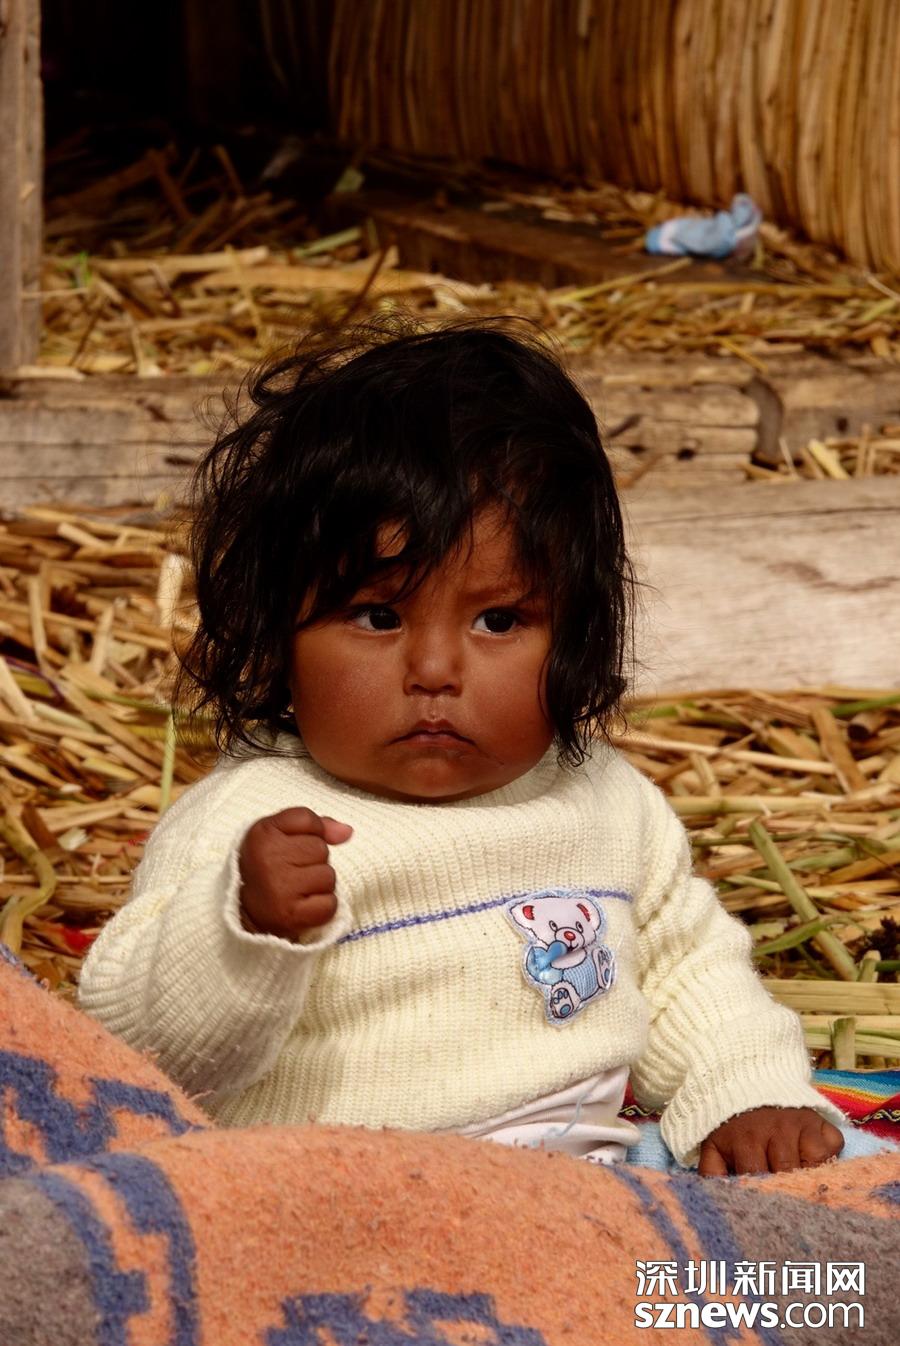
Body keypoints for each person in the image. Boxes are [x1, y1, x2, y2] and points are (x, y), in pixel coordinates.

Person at [78, 317, 849, 1176]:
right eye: (378, 616)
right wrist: (246, 927)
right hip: (343, 1184)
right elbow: (136, 1052)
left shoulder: (604, 802)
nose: (436, 670)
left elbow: (686, 972)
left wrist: (747, 1091)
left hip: (587, 1179)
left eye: (499, 621)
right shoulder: (251, 824)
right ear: (275, 639)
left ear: (577, 637)